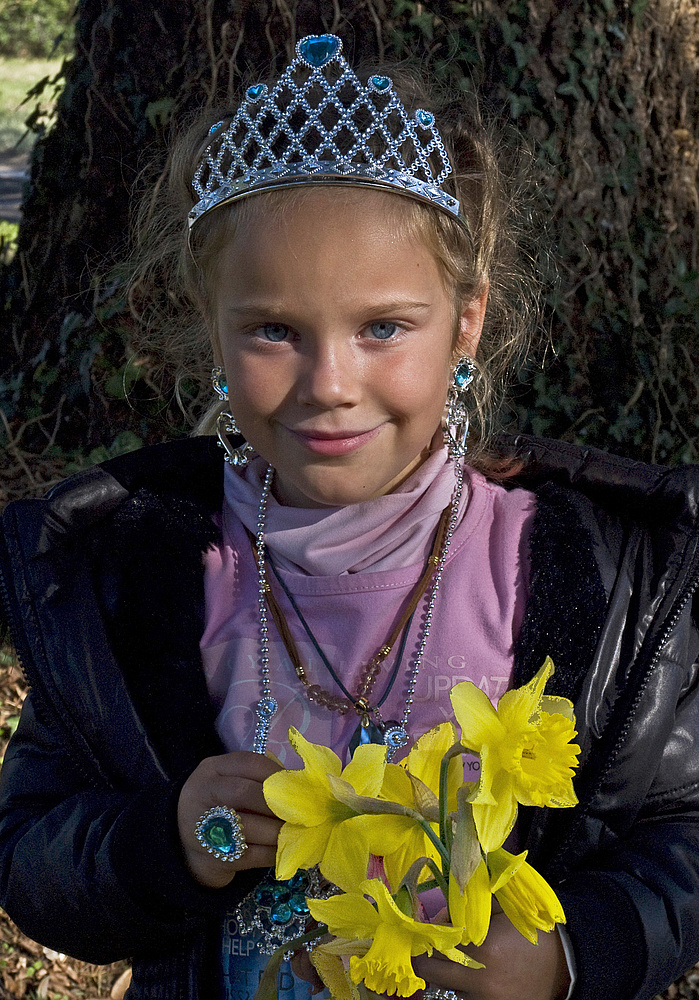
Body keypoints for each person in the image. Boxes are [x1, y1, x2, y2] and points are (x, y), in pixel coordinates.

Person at [0, 32, 698, 1000]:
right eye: (275, 330)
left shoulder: (604, 575)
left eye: (384, 327)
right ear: (213, 327)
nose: (330, 385)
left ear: (467, 322)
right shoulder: (126, 577)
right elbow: (36, 851)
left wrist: (575, 952)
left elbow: (684, 828)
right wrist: (163, 841)